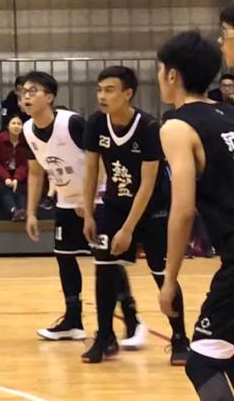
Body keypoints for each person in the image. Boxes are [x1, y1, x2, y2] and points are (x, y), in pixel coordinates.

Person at [81, 65, 189, 364]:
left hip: (152, 208)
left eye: (109, 90)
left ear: (128, 93)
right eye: (99, 90)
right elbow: (91, 171)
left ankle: (180, 338)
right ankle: (105, 337)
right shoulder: (96, 123)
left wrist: (128, 229)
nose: (102, 96)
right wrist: (88, 213)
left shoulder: (149, 127)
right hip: (113, 205)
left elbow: (148, 183)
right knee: (104, 268)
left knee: (162, 273)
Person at [156, 29, 234, 399]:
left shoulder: (177, 126)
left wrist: (170, 279)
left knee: (201, 361)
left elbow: (183, 209)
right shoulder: (230, 114)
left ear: (172, 75)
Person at [23, 70, 121, 342]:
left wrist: (89, 203)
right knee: (64, 256)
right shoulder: (28, 129)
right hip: (66, 201)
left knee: (106, 261)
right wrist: (30, 213)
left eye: (33, 91)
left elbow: (100, 159)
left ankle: (132, 318)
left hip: (98, 199)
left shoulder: (72, 123)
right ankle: (73, 320)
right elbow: (35, 173)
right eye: (23, 92)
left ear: (49, 97)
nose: (26, 96)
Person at [0, 115, 29, 221]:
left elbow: (25, 164)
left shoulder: (25, 141)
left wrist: (17, 178)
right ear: (8, 126)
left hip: (19, 173)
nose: (16, 126)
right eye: (13, 123)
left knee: (21, 187)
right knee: (2, 187)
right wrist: (6, 178)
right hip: (0, 174)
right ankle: (13, 211)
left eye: (19, 124)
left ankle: (23, 212)